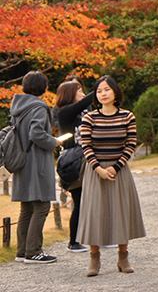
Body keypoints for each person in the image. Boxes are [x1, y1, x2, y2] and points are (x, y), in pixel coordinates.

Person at [77, 75, 146, 277]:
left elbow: (131, 144)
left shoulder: (127, 116)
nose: (103, 94)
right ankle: (94, 258)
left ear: (115, 92)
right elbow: (86, 145)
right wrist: (98, 169)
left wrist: (116, 167)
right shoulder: (89, 118)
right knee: (94, 213)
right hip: (95, 172)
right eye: (99, 91)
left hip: (119, 171)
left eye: (106, 89)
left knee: (121, 212)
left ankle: (123, 256)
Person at [11, 71, 61, 264]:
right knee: (41, 206)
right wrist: (54, 142)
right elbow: (37, 134)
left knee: (26, 208)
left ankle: (22, 251)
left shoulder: (18, 106)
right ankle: (34, 252)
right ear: (45, 88)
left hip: (21, 162)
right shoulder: (39, 107)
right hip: (36, 163)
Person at [54, 78, 95, 253]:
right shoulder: (64, 112)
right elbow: (87, 100)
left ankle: (97, 238)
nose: (82, 91)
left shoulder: (86, 111)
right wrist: (101, 86)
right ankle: (73, 241)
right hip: (74, 163)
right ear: (70, 93)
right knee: (79, 201)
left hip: (90, 159)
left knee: (94, 200)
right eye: (78, 89)